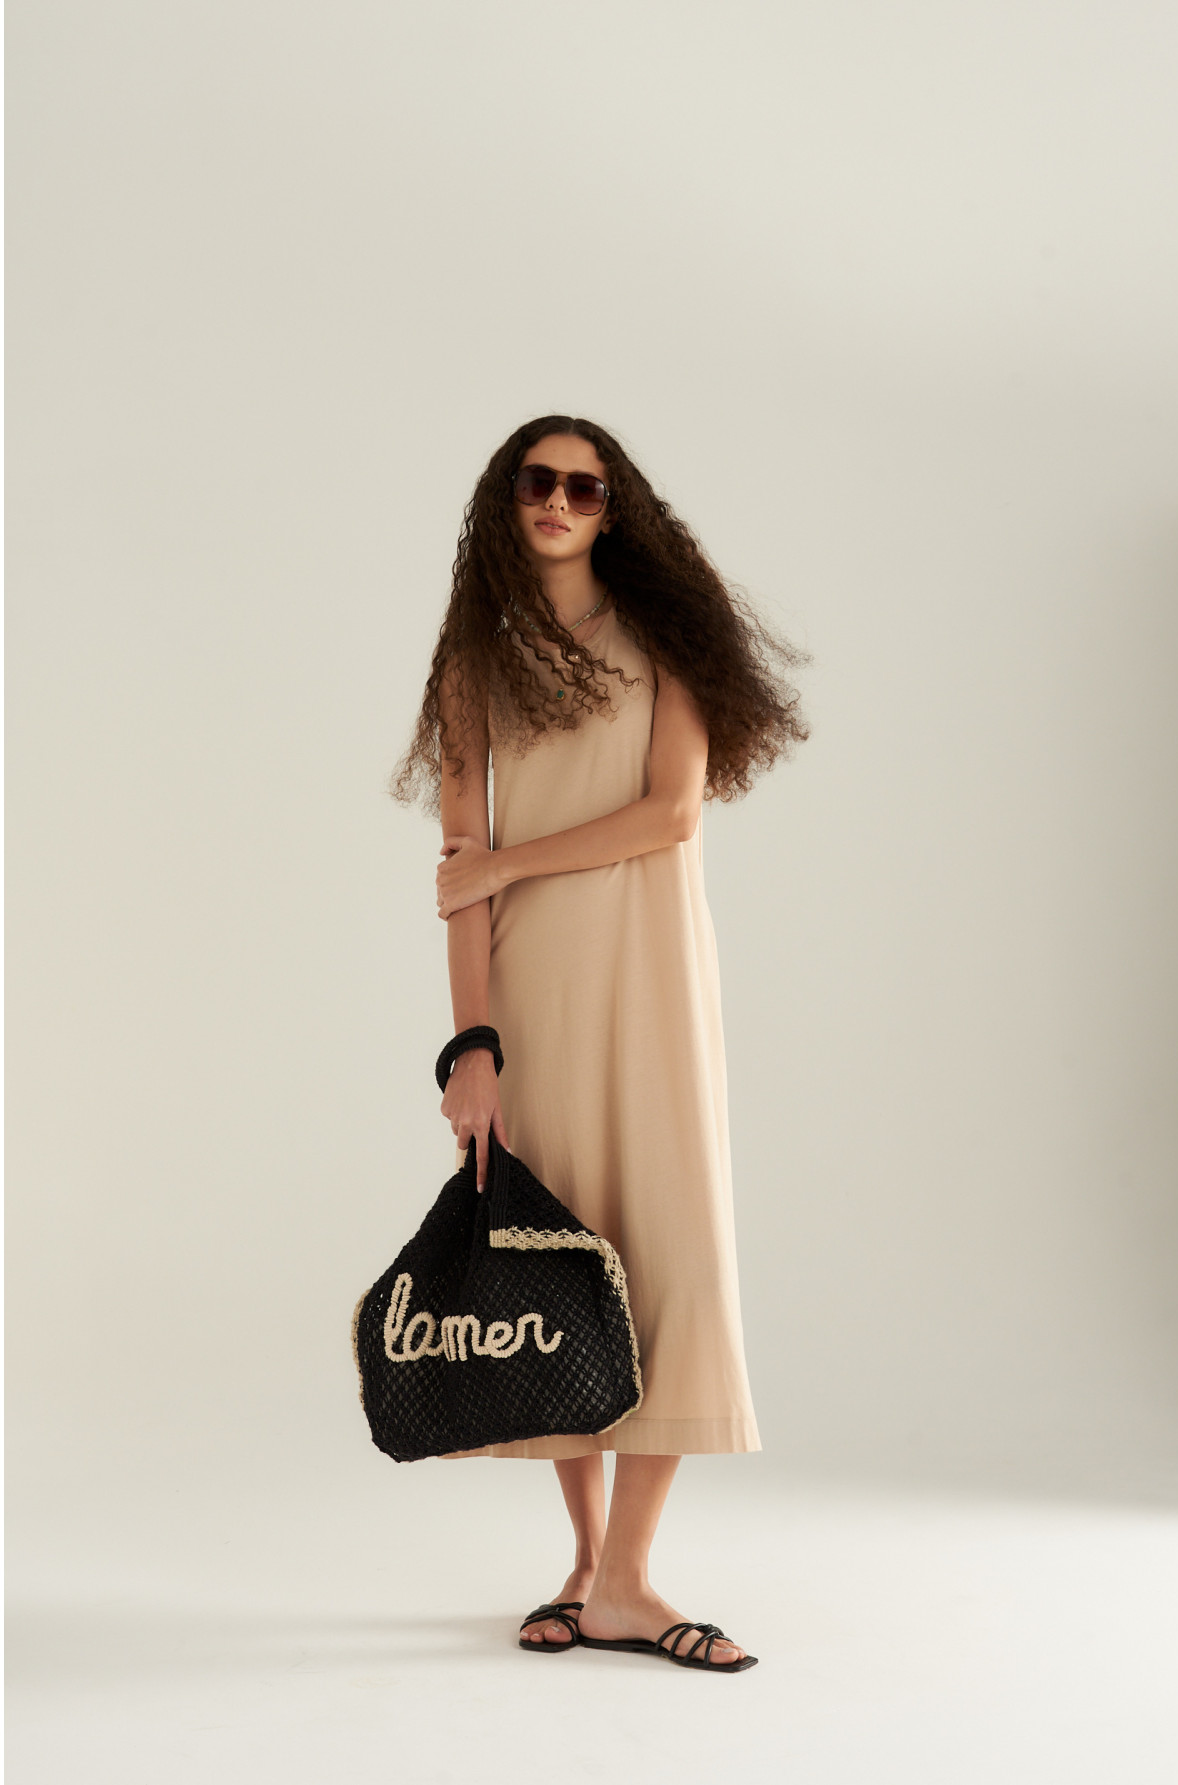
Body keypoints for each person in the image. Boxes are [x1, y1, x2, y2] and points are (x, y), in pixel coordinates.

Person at [390, 414, 809, 1672]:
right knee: (556, 1264)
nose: (561, 502)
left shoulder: (668, 635)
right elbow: (458, 879)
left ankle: (629, 1573)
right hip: (533, 993)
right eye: (540, 480)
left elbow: (670, 813)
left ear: (615, 507)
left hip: (655, 978)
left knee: (670, 1249)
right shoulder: (476, 663)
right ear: (506, 498)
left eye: (586, 486)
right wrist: (471, 1047)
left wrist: (509, 859)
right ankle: (588, 1568)